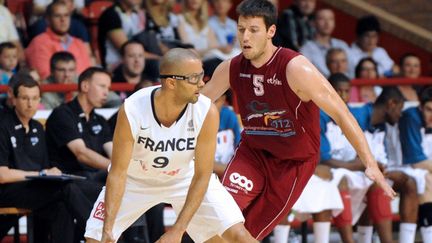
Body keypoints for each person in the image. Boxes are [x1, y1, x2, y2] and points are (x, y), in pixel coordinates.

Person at [201, 0, 395, 239]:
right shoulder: (231, 67)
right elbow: (197, 104)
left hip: (293, 163)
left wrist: (370, 164)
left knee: (248, 233)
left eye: (253, 30)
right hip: (253, 153)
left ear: (271, 31)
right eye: (241, 29)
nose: (245, 37)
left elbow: (342, 113)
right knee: (220, 221)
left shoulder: (295, 68)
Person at [84, 48, 257, 243]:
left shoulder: (206, 111)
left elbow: (202, 176)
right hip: (136, 180)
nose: (202, 84)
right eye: (194, 78)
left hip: (185, 179)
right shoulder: (133, 109)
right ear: (172, 82)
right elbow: (117, 172)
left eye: (201, 76)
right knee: (96, 240)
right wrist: (107, 229)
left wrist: (178, 230)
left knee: (237, 237)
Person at [0, 73, 98, 243]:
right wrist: (40, 174)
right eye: (24, 98)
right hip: (8, 190)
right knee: (65, 189)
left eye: (34, 98)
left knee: (62, 205)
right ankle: (99, 235)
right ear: (14, 99)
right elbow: (2, 175)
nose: (30, 104)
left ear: (40, 100)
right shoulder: (3, 125)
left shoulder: (37, 127)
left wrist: (51, 172)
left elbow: (45, 165)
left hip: (34, 187)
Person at [45, 67, 113, 184]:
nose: (106, 92)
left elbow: (113, 151)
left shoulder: (100, 120)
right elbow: (81, 153)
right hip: (69, 179)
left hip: (96, 177)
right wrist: (115, 168)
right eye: (102, 86)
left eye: (108, 88)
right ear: (85, 86)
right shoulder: (62, 114)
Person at [25, 1, 92, 80]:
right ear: (48, 20)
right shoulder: (38, 43)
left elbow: (88, 74)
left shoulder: (79, 43)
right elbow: (45, 76)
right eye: (57, 16)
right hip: (52, 91)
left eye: (66, 15)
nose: (63, 19)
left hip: (81, 89)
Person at [399, 86, 432, 242]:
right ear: (420, 106)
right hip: (399, 166)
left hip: (420, 166)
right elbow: (416, 161)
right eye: (429, 110)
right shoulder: (410, 117)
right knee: (426, 180)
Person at [299, 8, 351, 78]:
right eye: (322, 19)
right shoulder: (306, 49)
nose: (327, 23)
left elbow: (350, 72)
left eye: (330, 19)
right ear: (313, 23)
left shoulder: (342, 45)